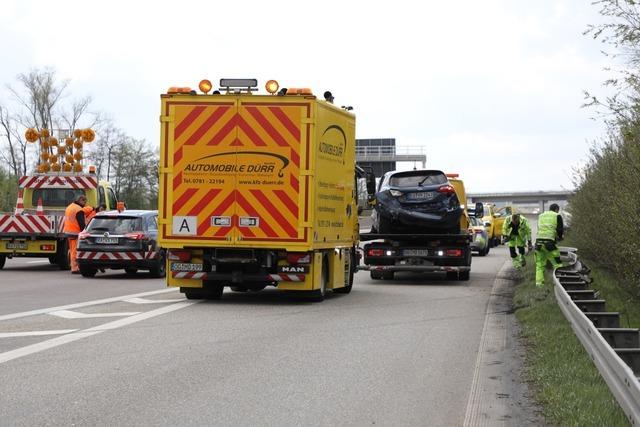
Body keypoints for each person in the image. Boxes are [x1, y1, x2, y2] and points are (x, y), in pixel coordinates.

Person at [534, 203, 564, 287]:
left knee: (539, 265)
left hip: (538, 243)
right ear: (556, 209)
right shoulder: (557, 216)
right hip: (550, 243)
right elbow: (560, 230)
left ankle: (539, 285)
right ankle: (560, 283)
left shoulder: (541, 216)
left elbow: (540, 228)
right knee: (557, 263)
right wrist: (560, 237)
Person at [63, 195, 89, 274]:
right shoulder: (78, 209)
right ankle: (74, 268)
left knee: (71, 250)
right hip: (75, 232)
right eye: (84, 202)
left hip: (68, 231)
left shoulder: (69, 207)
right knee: (75, 251)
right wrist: (84, 232)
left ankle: (73, 266)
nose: (85, 204)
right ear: (81, 200)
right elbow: (81, 223)